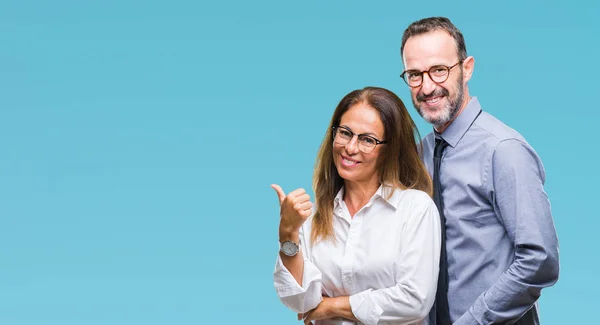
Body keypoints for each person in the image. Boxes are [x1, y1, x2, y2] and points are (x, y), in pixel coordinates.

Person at [399, 17, 560, 325]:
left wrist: (473, 320)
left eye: (439, 70)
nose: (427, 86)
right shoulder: (419, 155)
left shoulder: (504, 149)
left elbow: (540, 260)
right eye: (415, 75)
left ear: (467, 68)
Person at [272, 86, 441, 325]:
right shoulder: (315, 216)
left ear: (389, 150)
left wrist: (333, 305)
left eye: (367, 140)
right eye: (345, 133)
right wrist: (288, 234)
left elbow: (415, 300)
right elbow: (300, 303)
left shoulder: (415, 208)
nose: (350, 148)